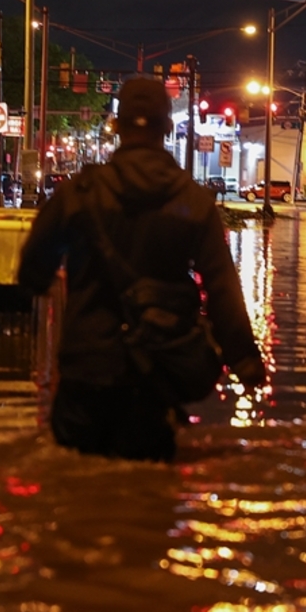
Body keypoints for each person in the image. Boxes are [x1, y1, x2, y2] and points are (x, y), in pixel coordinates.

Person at [18, 77, 267, 460]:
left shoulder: (79, 195)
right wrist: (246, 361)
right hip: (157, 377)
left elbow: (32, 273)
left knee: (75, 498)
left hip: (87, 373)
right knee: (149, 501)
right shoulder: (193, 202)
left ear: (115, 127)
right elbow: (222, 290)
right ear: (167, 128)